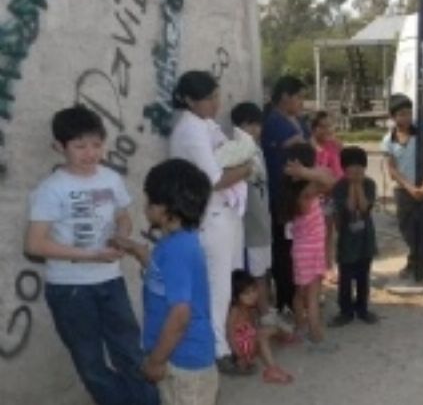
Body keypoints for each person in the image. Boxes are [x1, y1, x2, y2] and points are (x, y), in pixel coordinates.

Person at [24, 106, 159, 405]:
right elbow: (34, 244)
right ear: (59, 147)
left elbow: (123, 215)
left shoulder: (110, 178)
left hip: (111, 281)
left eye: (96, 145)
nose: (90, 153)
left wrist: (121, 236)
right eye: (79, 146)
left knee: (130, 352)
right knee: (91, 363)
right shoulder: (51, 189)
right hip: (70, 288)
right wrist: (90, 255)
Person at [112, 159, 217, 405]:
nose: (146, 207)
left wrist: (156, 361)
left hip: (183, 362)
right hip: (180, 357)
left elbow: (180, 314)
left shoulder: (177, 249)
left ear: (168, 207)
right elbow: (165, 278)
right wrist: (139, 252)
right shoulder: (177, 242)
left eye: (150, 201)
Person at [169, 70, 252, 374]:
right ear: (190, 100)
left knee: (226, 283)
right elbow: (215, 179)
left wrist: (242, 164)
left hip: (224, 213)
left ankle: (225, 342)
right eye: (208, 98)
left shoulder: (205, 124)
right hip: (209, 215)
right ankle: (217, 351)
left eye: (217, 96)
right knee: (217, 288)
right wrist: (247, 168)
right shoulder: (190, 130)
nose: (216, 103)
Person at [227, 102, 284, 330]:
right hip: (251, 226)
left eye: (257, 125)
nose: (255, 129)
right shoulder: (237, 152)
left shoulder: (256, 150)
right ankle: (263, 315)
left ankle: (266, 311)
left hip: (263, 221)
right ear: (239, 127)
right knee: (256, 274)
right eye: (250, 125)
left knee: (264, 270)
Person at [281, 143, 337, 352]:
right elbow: (330, 179)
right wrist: (305, 172)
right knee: (313, 296)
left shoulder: (293, 189)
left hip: (300, 250)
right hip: (311, 250)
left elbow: (326, 176)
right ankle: (316, 336)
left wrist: (303, 172)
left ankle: (300, 326)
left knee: (300, 293)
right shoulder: (306, 190)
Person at [261, 75, 309, 315]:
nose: (301, 102)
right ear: (285, 98)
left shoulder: (298, 120)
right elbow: (274, 160)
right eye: (298, 97)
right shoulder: (273, 123)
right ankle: (285, 298)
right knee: (283, 248)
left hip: (298, 194)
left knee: (296, 246)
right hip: (281, 196)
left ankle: (298, 295)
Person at [381, 94, 423, 286]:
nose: (406, 118)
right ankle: (414, 261)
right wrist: (409, 187)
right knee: (407, 228)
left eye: (409, 113)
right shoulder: (388, 141)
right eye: (401, 114)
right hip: (403, 191)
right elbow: (392, 169)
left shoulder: (420, 135)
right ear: (393, 117)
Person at [328, 146, 379, 327]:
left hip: (365, 237)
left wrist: (358, 186)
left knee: (363, 275)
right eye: (352, 166)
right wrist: (352, 185)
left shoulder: (370, 184)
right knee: (346, 276)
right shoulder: (339, 187)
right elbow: (349, 208)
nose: (357, 170)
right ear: (344, 168)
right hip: (347, 238)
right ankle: (345, 311)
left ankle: (362, 308)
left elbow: (364, 208)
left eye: (360, 166)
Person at [227, 269, 294, 384]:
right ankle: (272, 369)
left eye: (253, 290)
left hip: (250, 344)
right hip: (243, 350)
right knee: (264, 335)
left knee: (270, 330)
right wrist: (239, 355)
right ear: (236, 297)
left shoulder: (250, 308)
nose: (252, 295)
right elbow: (230, 334)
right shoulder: (235, 310)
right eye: (246, 293)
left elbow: (253, 327)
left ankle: (285, 337)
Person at [310, 111, 344, 283]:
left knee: (328, 233)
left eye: (328, 126)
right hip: (313, 197)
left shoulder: (333, 146)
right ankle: (318, 270)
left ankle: (329, 267)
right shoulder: (308, 148)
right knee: (316, 235)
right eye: (322, 126)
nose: (326, 130)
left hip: (331, 196)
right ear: (314, 128)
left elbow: (339, 171)